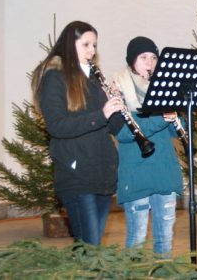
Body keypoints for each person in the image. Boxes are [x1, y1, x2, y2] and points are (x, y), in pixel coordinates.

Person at [30, 21, 125, 245]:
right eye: (86, 45)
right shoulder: (54, 77)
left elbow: (116, 127)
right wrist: (102, 114)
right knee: (88, 247)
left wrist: (118, 104)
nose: (92, 51)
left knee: (90, 250)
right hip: (76, 174)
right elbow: (57, 125)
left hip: (101, 173)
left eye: (94, 45)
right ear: (68, 45)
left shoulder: (94, 80)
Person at [110, 36, 184, 256]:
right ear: (132, 61)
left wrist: (178, 117)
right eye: (143, 58)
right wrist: (161, 119)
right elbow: (124, 133)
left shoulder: (163, 89)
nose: (150, 63)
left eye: (153, 58)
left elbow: (172, 131)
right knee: (137, 238)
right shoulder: (117, 89)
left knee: (165, 241)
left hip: (164, 169)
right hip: (136, 171)